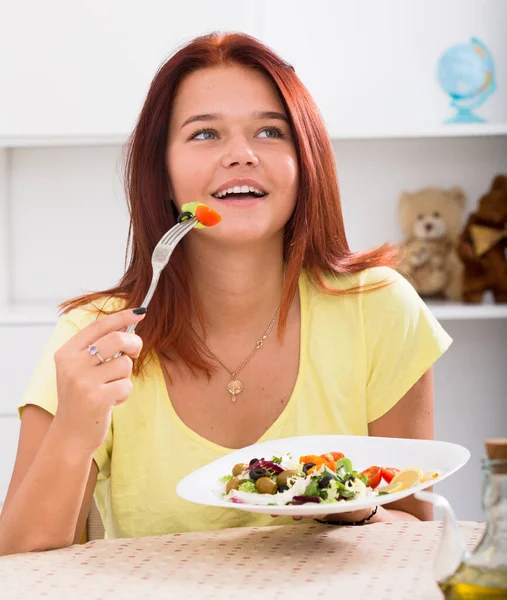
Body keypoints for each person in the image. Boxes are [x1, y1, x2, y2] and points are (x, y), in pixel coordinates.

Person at [0, 32, 451, 556]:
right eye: (204, 134)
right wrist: (75, 431)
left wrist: (359, 506)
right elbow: (16, 565)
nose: (240, 155)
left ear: (305, 163)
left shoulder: (379, 308)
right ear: (162, 173)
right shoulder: (96, 337)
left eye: (269, 131)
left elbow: (418, 540)